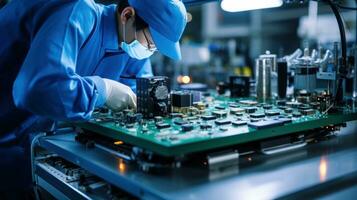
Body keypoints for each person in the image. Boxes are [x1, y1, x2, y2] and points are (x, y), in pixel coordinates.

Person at [0, 0, 187, 197]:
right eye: (150, 42)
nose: (149, 50)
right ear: (127, 15)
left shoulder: (130, 45)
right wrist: (103, 90)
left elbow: (140, 93)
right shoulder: (76, 11)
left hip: (31, 143)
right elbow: (36, 90)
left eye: (155, 48)